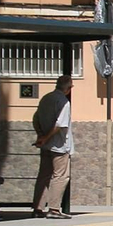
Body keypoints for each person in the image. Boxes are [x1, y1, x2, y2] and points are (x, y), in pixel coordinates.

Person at [31, 76, 74, 218]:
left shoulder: (45, 98)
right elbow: (60, 125)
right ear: (69, 89)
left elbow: (35, 118)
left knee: (43, 176)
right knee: (60, 176)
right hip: (60, 145)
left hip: (46, 146)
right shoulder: (63, 102)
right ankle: (54, 209)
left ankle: (38, 208)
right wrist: (46, 137)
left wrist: (40, 136)